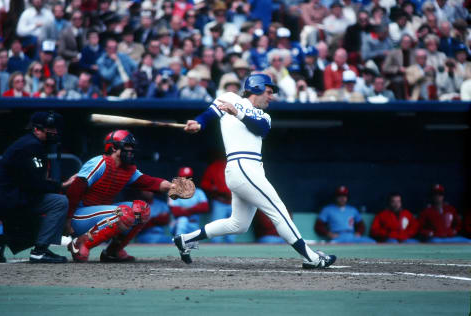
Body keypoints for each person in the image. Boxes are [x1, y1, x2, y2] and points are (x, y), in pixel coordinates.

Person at [173, 73, 336, 269]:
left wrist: (238, 113)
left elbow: (260, 129)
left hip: (250, 170)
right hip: (241, 166)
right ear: (256, 88)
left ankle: (186, 239)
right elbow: (208, 115)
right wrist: (198, 123)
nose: (271, 96)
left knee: (238, 224)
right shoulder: (231, 98)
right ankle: (312, 257)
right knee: (279, 211)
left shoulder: (264, 116)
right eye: (268, 91)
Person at [66, 130, 181, 262]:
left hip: (100, 214)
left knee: (142, 210)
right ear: (113, 147)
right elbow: (74, 190)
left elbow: (149, 182)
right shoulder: (99, 163)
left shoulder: (128, 169)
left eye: (132, 147)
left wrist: (173, 187)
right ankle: (80, 243)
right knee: (124, 213)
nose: (131, 150)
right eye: (127, 146)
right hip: (78, 216)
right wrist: (67, 221)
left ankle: (113, 251)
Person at [0, 111, 74, 263]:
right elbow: (34, 184)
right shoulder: (31, 146)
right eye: (50, 128)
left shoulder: (32, 143)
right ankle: (40, 251)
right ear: (36, 129)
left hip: (12, 197)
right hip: (9, 200)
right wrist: (61, 185)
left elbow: (31, 182)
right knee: (59, 202)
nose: (54, 132)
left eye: (55, 129)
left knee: (43, 220)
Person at [169, 167, 209, 237]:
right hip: (177, 224)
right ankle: (178, 241)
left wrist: (185, 209)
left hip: (194, 223)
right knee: (183, 220)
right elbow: (176, 212)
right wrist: (196, 207)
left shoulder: (199, 192)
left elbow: (205, 207)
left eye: (188, 177)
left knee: (193, 242)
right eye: (183, 177)